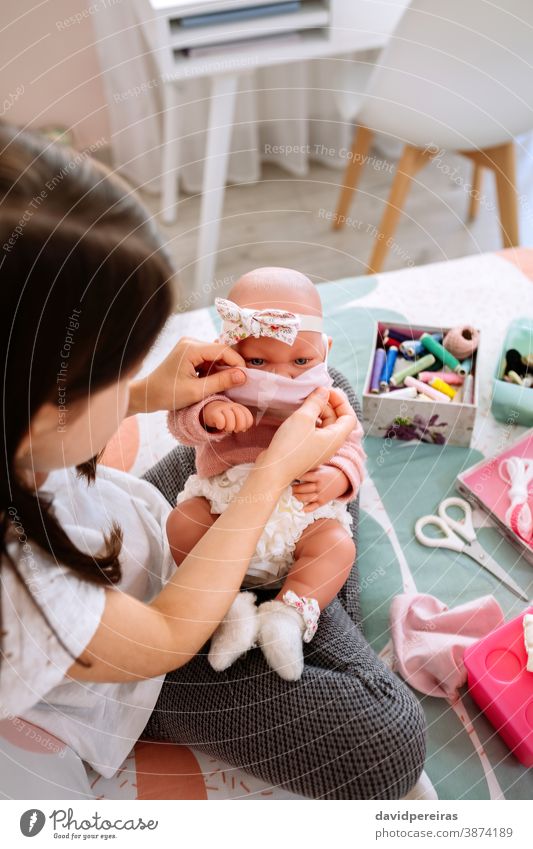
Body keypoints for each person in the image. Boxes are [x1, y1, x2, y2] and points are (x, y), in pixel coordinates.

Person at [0, 123, 427, 798]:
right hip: (149, 660)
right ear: (43, 409)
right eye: (119, 372)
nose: (137, 381)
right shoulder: (22, 599)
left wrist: (145, 394)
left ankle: (289, 579)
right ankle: (294, 599)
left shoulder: (21, 422)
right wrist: (273, 478)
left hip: (131, 527)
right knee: (389, 743)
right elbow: (166, 635)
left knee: (326, 390)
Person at [166, 267, 366, 681]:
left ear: (324, 350)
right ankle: (226, 608)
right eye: (258, 360)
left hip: (299, 516)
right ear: (228, 352)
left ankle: (288, 616)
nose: (280, 376)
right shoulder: (220, 385)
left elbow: (351, 446)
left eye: (301, 360)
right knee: (182, 524)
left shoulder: (325, 395)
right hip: (225, 513)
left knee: (337, 547)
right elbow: (179, 423)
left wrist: (337, 478)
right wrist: (207, 414)